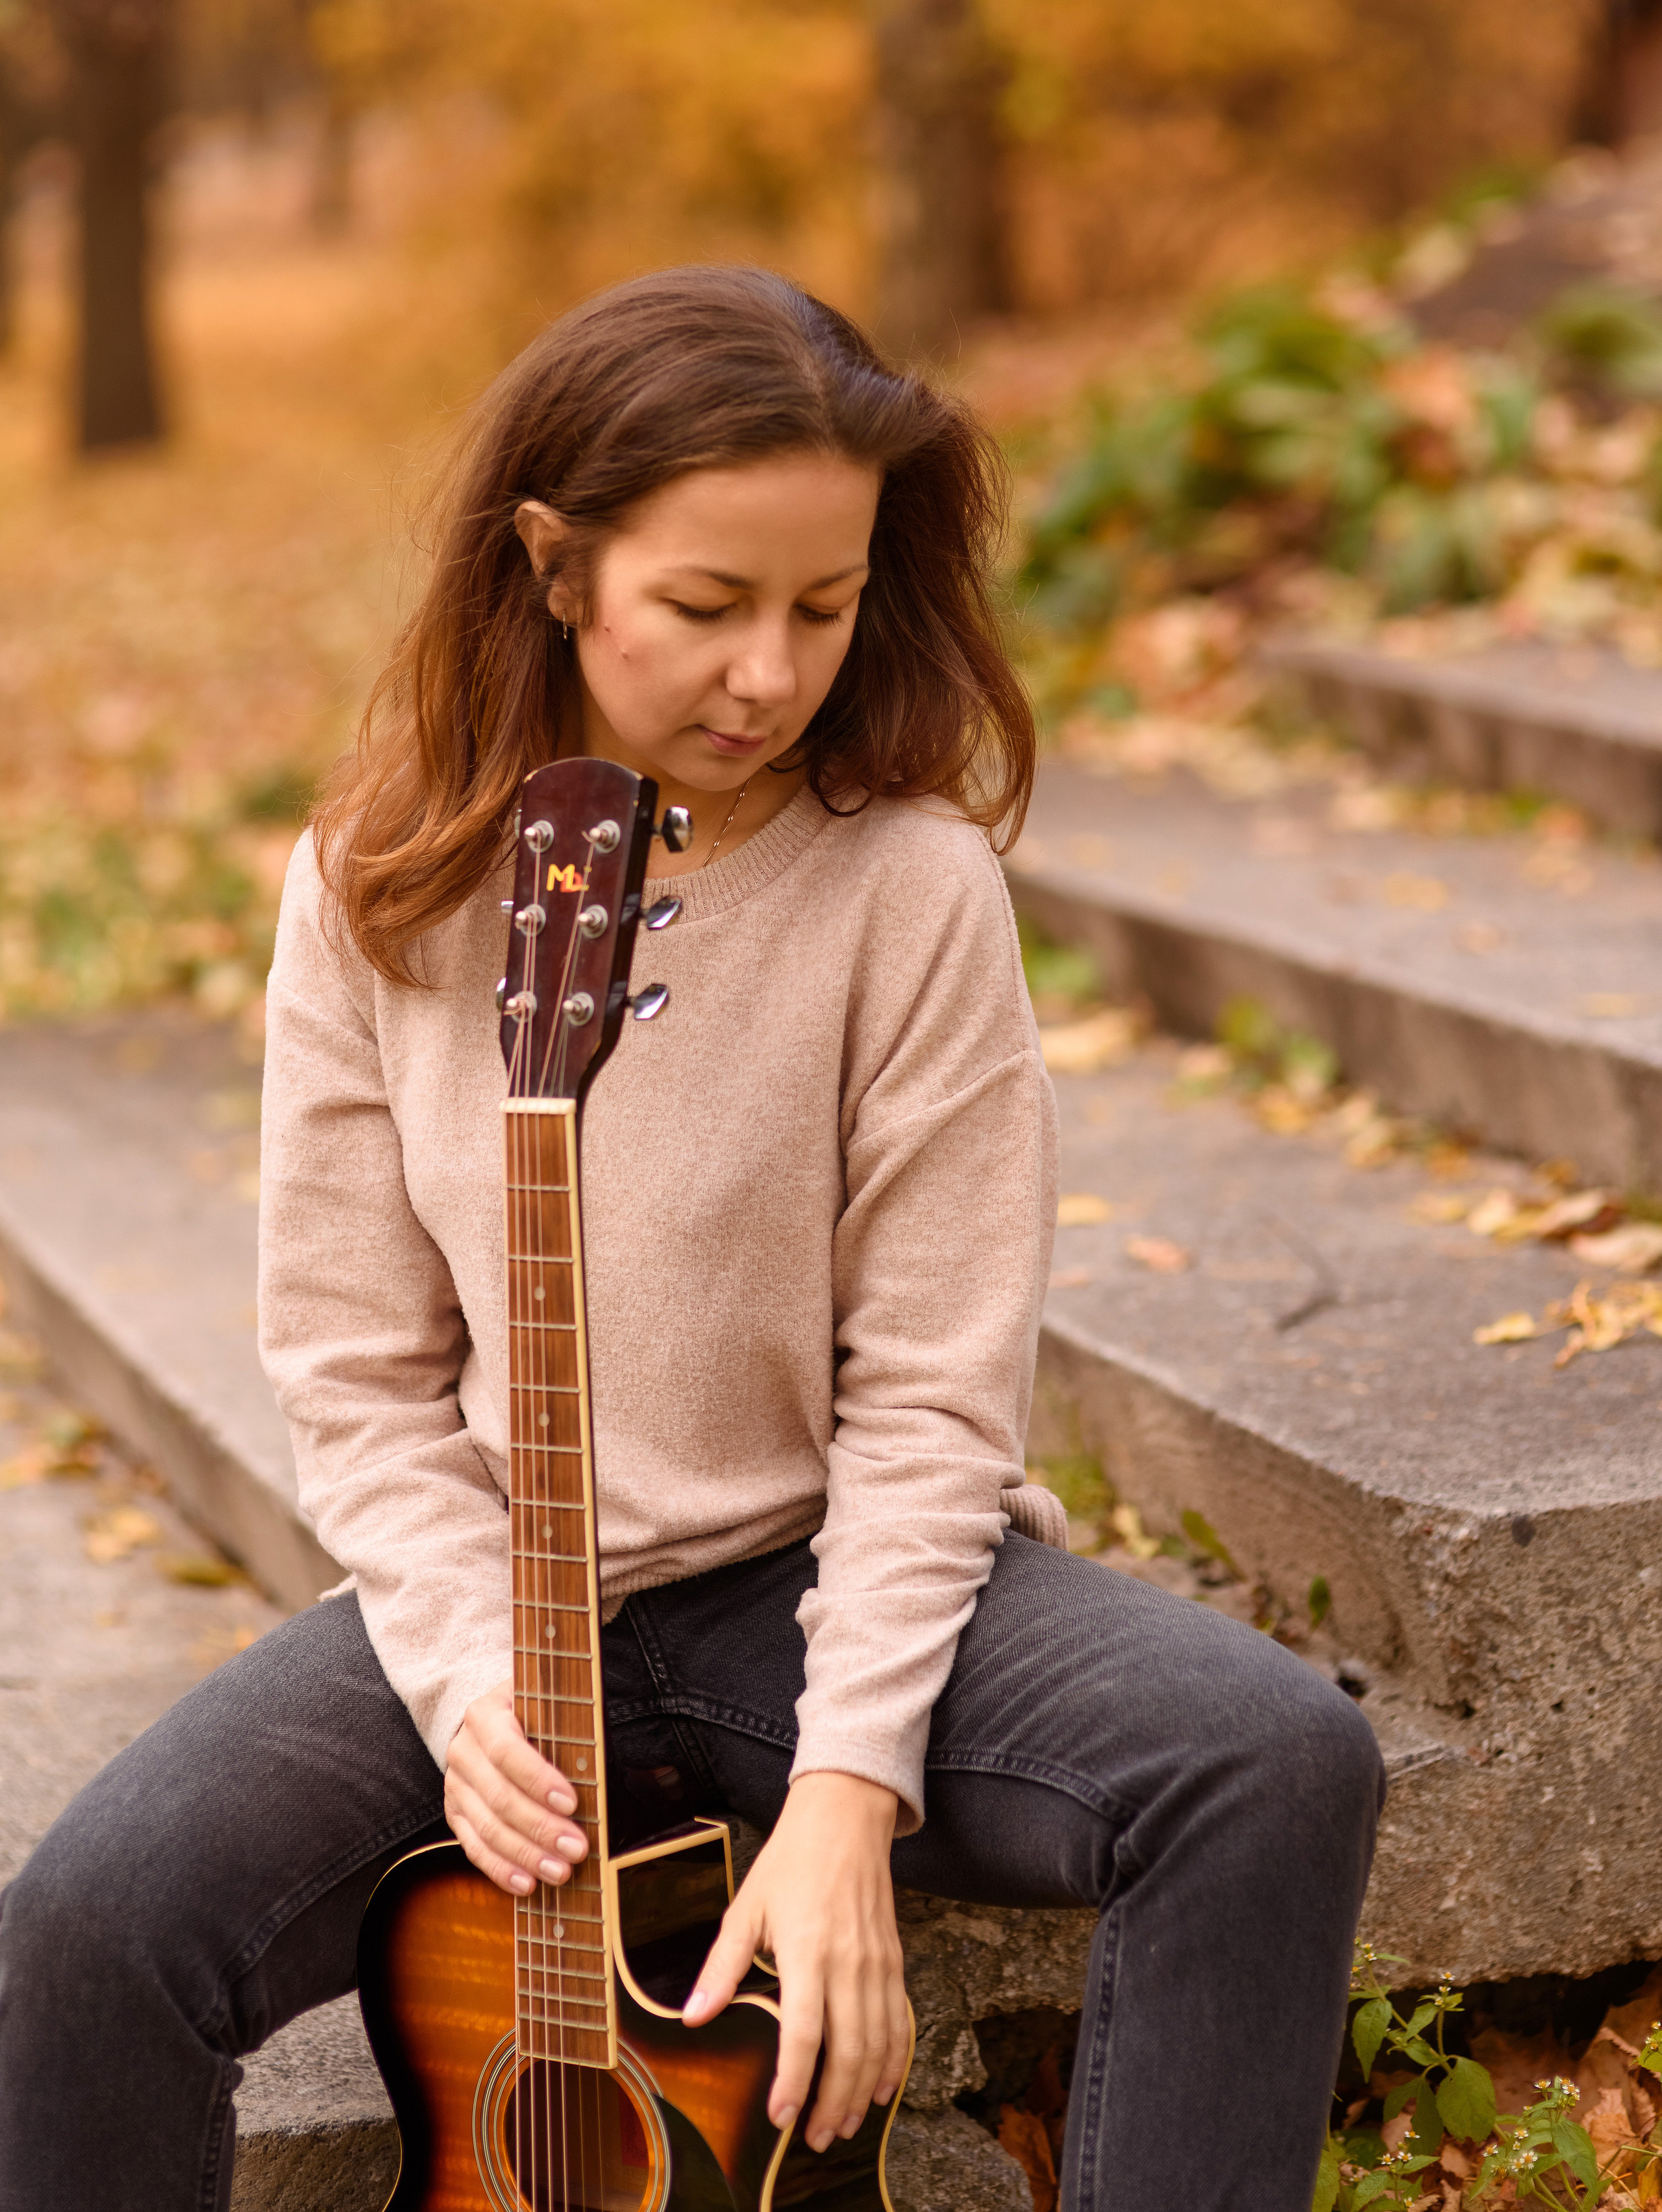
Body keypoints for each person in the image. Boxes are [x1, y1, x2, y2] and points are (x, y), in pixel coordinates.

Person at [0, 265, 1383, 2212]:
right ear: (558, 567)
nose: (772, 675)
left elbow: (930, 1391)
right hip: (512, 1571)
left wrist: (845, 1792)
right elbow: (352, 1367)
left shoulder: (906, 889)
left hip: (813, 1570)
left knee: (1269, 1761)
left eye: (825, 607)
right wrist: (473, 1678)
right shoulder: (376, 882)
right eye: (709, 608)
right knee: (87, 1927)